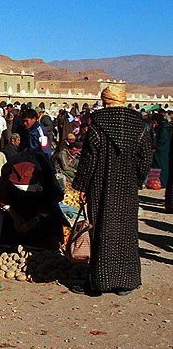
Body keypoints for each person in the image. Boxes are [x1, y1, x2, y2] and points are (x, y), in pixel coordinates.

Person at [72, 86, 152, 296]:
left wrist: (82, 186)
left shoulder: (98, 123)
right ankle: (127, 281)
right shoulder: (139, 124)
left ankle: (98, 282)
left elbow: (89, 158)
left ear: (104, 100)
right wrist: (137, 179)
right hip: (127, 188)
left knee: (102, 230)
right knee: (126, 231)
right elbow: (145, 158)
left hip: (101, 185)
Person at [0, 157, 64, 251]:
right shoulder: (7, 179)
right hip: (16, 202)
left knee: (47, 230)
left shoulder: (46, 179)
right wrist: (14, 216)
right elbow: (3, 198)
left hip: (39, 203)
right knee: (10, 236)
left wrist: (37, 218)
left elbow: (49, 201)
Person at [152, 113, 170, 187]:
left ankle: (162, 183)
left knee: (162, 167)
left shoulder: (163, 128)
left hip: (161, 151)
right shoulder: (162, 127)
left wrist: (155, 147)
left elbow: (162, 140)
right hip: (161, 150)